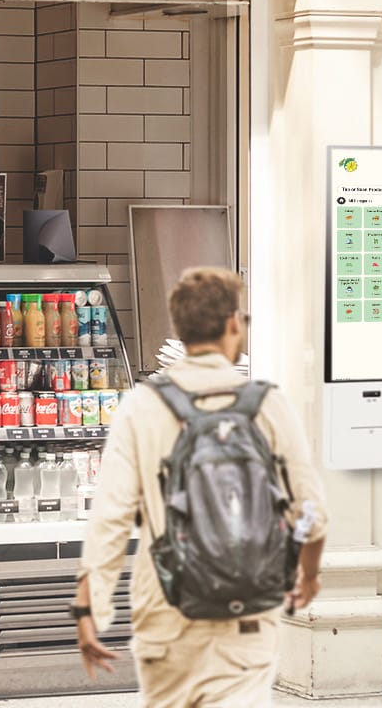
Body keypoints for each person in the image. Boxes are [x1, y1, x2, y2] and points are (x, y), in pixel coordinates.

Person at [74, 267, 327, 706]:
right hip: (246, 610)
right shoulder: (268, 405)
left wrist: (89, 607)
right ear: (233, 324)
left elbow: (110, 519)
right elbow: (310, 511)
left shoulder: (142, 407)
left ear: (180, 330)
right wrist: (306, 572)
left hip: (166, 610)